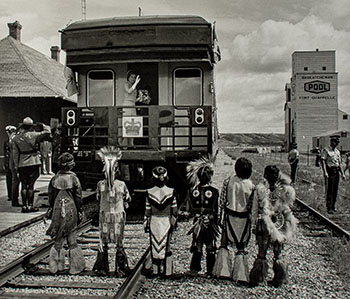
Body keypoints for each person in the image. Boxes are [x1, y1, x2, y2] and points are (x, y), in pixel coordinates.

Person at [249, 165, 297, 287]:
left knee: (262, 251)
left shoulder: (260, 189)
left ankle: (258, 278)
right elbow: (287, 206)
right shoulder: (285, 190)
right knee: (278, 251)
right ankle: (280, 278)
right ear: (278, 176)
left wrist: (253, 223)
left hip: (263, 223)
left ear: (265, 175)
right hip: (279, 222)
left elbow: (254, 209)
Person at [92, 146, 132, 277]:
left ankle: (102, 267)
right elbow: (127, 198)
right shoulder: (121, 185)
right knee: (118, 240)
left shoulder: (101, 185)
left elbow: (99, 197)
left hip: (107, 214)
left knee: (104, 240)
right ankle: (120, 268)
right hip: (117, 215)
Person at [214, 157, 254, 283]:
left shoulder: (228, 181)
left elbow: (222, 201)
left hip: (229, 216)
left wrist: (220, 217)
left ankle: (223, 270)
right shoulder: (251, 185)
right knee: (241, 246)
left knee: (224, 243)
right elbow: (252, 205)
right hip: (244, 218)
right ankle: (241, 274)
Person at [46, 152, 85, 274]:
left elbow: (51, 197)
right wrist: (80, 210)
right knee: (71, 237)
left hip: (58, 208)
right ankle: (75, 266)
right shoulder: (74, 179)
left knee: (58, 237)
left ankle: (55, 265)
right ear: (72, 165)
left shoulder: (54, 179)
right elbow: (78, 197)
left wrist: (52, 208)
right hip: (71, 208)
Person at [186, 156, 220, 277]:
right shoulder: (215, 191)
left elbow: (190, 210)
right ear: (210, 177)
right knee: (210, 245)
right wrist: (215, 220)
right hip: (209, 222)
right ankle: (210, 270)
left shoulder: (192, 191)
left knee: (197, 244)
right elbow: (216, 210)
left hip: (197, 223)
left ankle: (195, 269)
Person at [144, 166, 178, 278]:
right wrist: (174, 222)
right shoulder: (171, 192)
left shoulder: (149, 192)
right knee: (166, 246)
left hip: (154, 220)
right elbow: (175, 211)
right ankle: (166, 271)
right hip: (166, 221)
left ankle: (155, 270)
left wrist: (146, 223)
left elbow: (147, 211)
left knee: (154, 245)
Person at [12, 117, 51, 212]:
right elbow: (47, 132)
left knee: (24, 185)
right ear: (30, 127)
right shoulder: (34, 135)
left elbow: (15, 153)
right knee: (31, 185)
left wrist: (17, 165)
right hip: (33, 161)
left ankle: (24, 206)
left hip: (22, 162)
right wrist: (43, 125)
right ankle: (30, 205)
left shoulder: (16, 138)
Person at [320, 135, 346, 214]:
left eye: (336, 142)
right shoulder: (326, 150)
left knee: (335, 189)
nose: (334, 143)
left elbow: (340, 163)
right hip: (330, 171)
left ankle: (333, 206)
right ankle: (329, 207)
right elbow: (323, 161)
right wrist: (325, 172)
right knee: (330, 189)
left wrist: (342, 174)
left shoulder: (337, 152)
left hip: (336, 171)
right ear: (331, 142)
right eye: (333, 141)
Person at [120, 70, 141, 148]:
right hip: (127, 106)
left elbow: (133, 98)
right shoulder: (126, 84)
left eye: (134, 77)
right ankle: (124, 144)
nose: (133, 78)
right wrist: (136, 83)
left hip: (133, 106)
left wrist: (140, 99)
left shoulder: (134, 87)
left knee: (133, 125)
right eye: (131, 77)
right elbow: (129, 91)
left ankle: (131, 143)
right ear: (128, 77)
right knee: (127, 124)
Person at [3, 126, 18, 203]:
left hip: (13, 162)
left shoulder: (14, 141)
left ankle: (14, 196)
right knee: (9, 179)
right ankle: (10, 195)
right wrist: (5, 163)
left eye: (10, 132)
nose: (9, 134)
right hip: (8, 162)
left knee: (14, 180)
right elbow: (6, 154)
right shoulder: (6, 142)